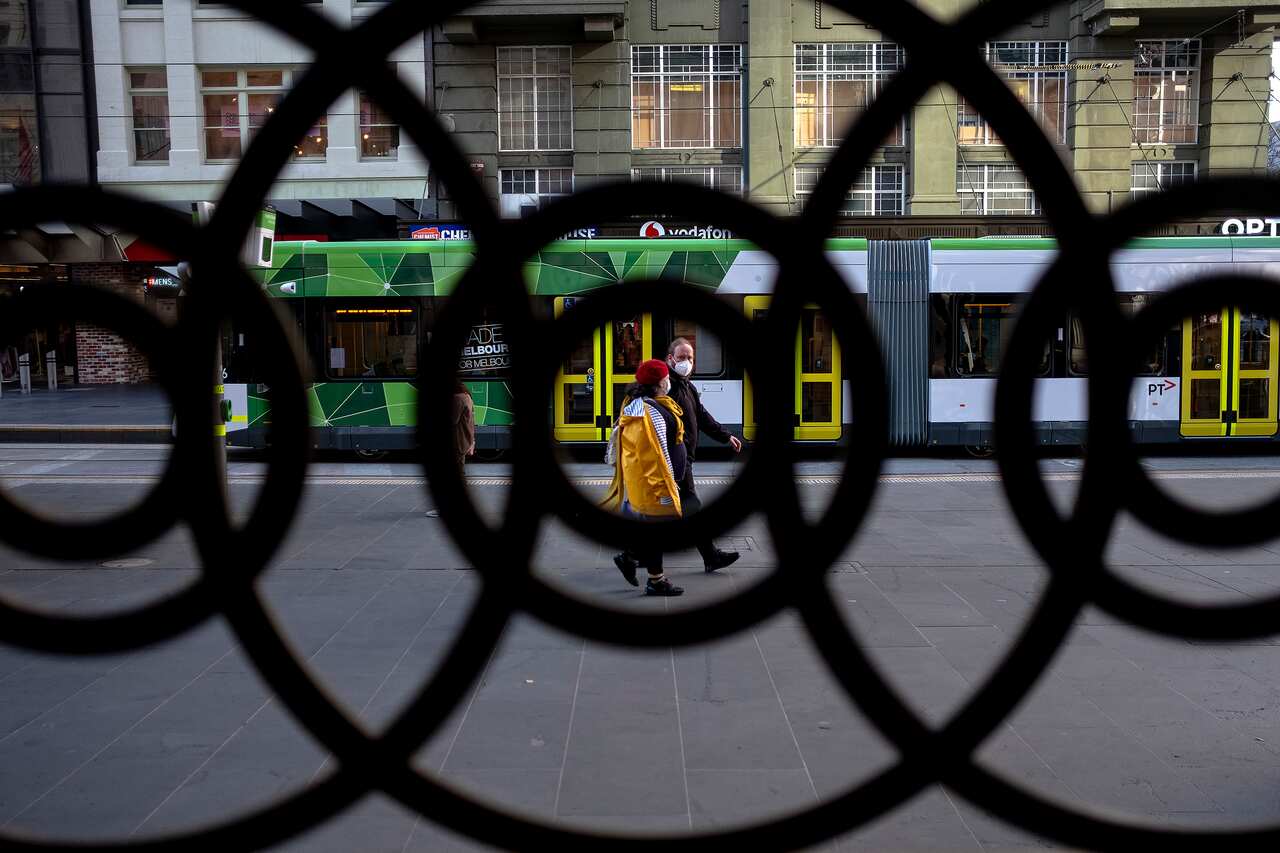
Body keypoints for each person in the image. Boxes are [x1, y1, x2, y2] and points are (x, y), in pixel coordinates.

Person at [615, 337, 744, 576]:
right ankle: (708, 556)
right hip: (674, 462)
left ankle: (633, 555)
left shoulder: (686, 385)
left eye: (691, 358)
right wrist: (673, 462)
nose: (687, 362)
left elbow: (701, 415)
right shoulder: (665, 387)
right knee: (687, 508)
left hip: (681, 460)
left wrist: (726, 436)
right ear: (670, 359)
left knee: (668, 513)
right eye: (682, 357)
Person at [601, 359, 686, 596]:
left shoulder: (648, 405)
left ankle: (629, 557)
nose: (670, 380)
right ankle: (655, 580)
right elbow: (656, 454)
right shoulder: (650, 413)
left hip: (651, 483)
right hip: (655, 484)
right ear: (660, 382)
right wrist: (667, 487)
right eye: (667, 378)